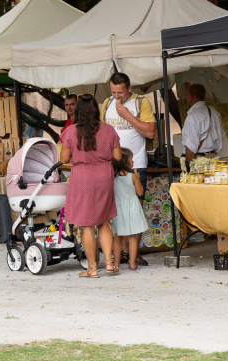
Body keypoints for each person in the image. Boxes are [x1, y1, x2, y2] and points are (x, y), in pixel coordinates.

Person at [60, 94, 121, 278]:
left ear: (77, 110)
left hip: (82, 177)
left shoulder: (71, 131)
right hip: (104, 176)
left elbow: (63, 159)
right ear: (96, 109)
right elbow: (118, 157)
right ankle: (109, 264)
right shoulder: (109, 130)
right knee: (103, 221)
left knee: (86, 225)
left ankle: (92, 268)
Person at [102, 72, 156, 267]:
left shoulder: (141, 103)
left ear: (129, 89)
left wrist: (127, 116)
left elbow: (150, 131)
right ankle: (122, 253)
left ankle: (132, 253)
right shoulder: (107, 104)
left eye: (120, 92)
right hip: (112, 165)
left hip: (136, 163)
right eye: (113, 92)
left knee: (135, 208)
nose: (116, 96)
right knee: (116, 209)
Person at [110, 148, 147, 272]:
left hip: (118, 209)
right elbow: (140, 192)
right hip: (132, 208)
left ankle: (116, 264)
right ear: (125, 162)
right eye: (131, 159)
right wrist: (138, 178)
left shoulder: (112, 178)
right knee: (132, 237)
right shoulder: (132, 176)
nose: (133, 162)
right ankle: (131, 263)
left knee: (117, 237)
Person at [181, 84, 223, 162]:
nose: (186, 98)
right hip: (214, 159)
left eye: (187, 95)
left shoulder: (192, 117)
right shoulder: (214, 112)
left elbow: (191, 147)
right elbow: (220, 136)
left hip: (199, 162)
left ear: (191, 96)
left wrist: (187, 166)